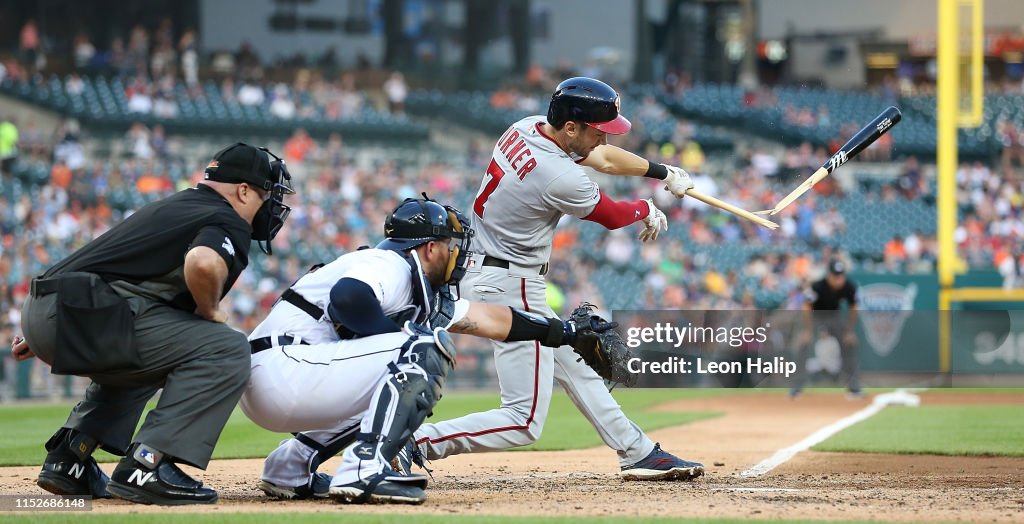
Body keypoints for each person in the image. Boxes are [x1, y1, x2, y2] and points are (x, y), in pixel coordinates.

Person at [406, 76, 704, 481]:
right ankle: (414, 442)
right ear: (571, 128)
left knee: (576, 362)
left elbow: (602, 159)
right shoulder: (557, 175)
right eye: (598, 131)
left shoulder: (527, 127)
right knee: (522, 419)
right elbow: (614, 215)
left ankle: (638, 452)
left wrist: (663, 171)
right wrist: (646, 209)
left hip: (493, 269)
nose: (603, 139)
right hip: (511, 284)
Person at [241, 197, 614, 504]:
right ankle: (364, 468)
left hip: (280, 378)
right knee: (421, 347)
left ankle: (289, 467)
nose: (458, 256)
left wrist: (563, 332)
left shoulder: (417, 286)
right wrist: (401, 346)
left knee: (406, 360)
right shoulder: (387, 263)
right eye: (451, 247)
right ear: (430, 247)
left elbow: (488, 320)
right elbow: (348, 297)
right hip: (285, 367)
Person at [13, 143, 294, 505]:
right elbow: (204, 263)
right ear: (242, 190)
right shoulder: (227, 218)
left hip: (53, 305)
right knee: (224, 346)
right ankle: (148, 464)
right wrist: (210, 310)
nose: (271, 203)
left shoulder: (179, 203)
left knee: (163, 344)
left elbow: (108, 259)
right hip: (81, 311)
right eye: (266, 193)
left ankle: (70, 458)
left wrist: (48, 325)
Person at [789, 259, 862, 399]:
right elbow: (806, 307)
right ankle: (796, 388)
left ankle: (854, 388)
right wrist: (807, 330)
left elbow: (854, 308)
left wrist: (849, 331)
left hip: (834, 315)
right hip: (815, 316)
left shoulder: (849, 286)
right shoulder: (818, 286)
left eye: (841, 275)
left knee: (850, 344)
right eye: (835, 275)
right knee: (802, 344)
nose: (838, 279)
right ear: (829, 275)